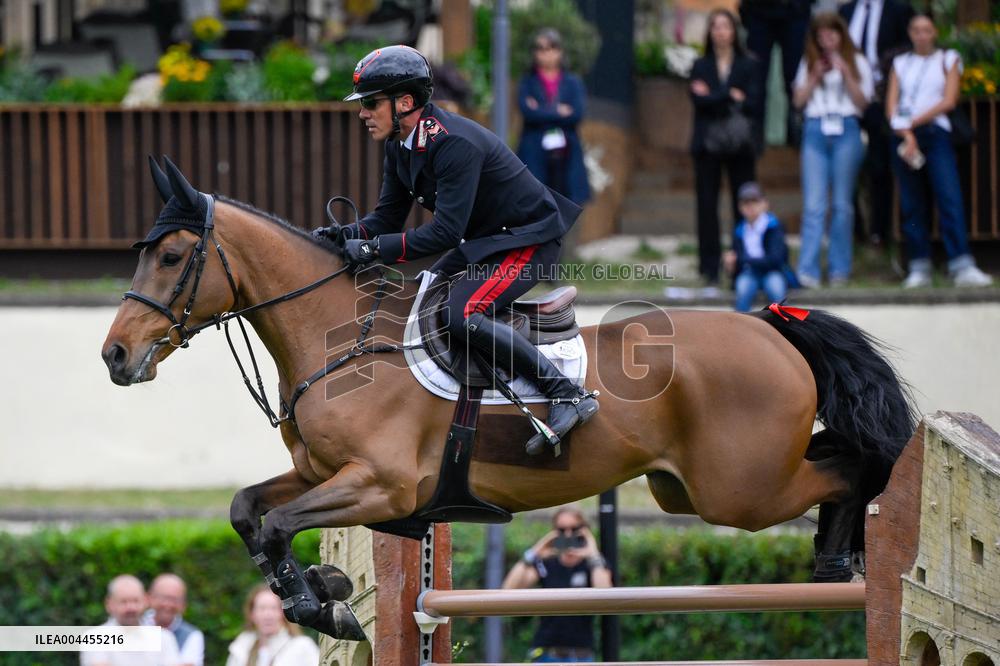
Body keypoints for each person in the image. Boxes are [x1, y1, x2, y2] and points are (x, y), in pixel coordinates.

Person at [313, 45, 599, 455]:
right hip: (485, 243)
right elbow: (386, 221)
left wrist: (372, 249)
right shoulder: (399, 144)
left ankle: (567, 393)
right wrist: (341, 236)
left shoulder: (453, 144)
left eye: (371, 103)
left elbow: (446, 232)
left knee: (462, 314)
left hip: (526, 241)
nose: (363, 113)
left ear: (405, 102)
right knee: (419, 298)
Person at [886, 14, 993, 288]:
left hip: (935, 133)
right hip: (905, 136)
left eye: (927, 30)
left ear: (934, 33)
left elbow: (949, 100)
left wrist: (912, 123)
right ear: (910, 33)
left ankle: (962, 264)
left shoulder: (948, 58)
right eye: (916, 30)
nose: (921, 35)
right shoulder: (900, 62)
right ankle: (919, 266)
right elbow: (891, 106)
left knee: (949, 197)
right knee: (912, 204)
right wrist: (907, 134)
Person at [792, 13, 873, 287]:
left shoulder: (858, 60)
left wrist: (847, 73)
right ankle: (808, 270)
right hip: (815, 130)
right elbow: (798, 101)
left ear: (841, 34)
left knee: (842, 205)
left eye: (832, 34)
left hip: (847, 130)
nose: (826, 39)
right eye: (821, 35)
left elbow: (863, 103)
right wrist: (815, 76)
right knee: (814, 204)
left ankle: (839, 268)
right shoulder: (809, 62)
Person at [689, 9, 761, 293]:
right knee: (707, 207)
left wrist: (713, 95)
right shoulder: (700, 64)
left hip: (741, 144)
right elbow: (698, 102)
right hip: (707, 145)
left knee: (743, 206)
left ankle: (741, 263)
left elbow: (754, 103)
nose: (721, 31)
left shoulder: (749, 64)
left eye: (726, 26)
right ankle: (710, 269)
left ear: (734, 31)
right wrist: (730, 95)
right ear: (710, 32)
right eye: (715, 26)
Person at [839, 0, 914, 246]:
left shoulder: (899, 10)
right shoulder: (846, 12)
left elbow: (908, 50)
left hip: (883, 98)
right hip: (847, 98)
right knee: (845, 167)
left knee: (880, 166)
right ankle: (855, 231)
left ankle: (880, 231)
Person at [502, 506, 612, 662]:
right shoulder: (547, 563)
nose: (568, 534)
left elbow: (606, 595)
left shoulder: (594, 564)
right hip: (546, 654)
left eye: (575, 528)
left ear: (585, 530)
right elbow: (509, 588)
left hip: (581, 655)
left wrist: (592, 552)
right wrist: (535, 551)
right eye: (561, 530)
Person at [516, 28, 591, 206]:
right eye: (540, 48)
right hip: (534, 150)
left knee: (566, 202)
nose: (545, 53)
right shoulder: (527, 81)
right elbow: (527, 112)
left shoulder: (573, 82)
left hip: (567, 153)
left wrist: (541, 110)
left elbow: (577, 114)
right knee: (535, 200)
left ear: (560, 51)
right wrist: (558, 111)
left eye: (551, 47)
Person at [739, 0, 812, 145]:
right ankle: (753, 135)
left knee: (795, 77)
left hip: (795, 10)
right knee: (755, 78)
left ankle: (797, 135)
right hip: (758, 11)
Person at [724, 182, 795, 312]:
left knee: (777, 291)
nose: (750, 206)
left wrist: (745, 260)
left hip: (772, 272)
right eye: (746, 203)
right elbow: (737, 261)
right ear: (740, 207)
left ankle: (785, 325)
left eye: (755, 201)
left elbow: (776, 259)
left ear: (765, 204)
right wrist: (731, 265)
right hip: (750, 273)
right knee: (743, 290)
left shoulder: (774, 226)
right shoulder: (739, 230)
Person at [81, 574, 181, 666]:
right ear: (109, 604)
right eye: (124, 602)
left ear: (145, 601)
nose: (131, 608)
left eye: (135, 601)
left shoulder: (165, 638)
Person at [226, 585, 320, 666]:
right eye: (262, 608)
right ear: (252, 614)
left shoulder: (302, 647)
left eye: (274, 608)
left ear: (284, 614)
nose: (268, 615)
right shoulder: (241, 648)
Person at [142, 574, 204, 666]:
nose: (168, 604)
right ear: (150, 598)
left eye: (175, 600)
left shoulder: (192, 635)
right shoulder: (131, 626)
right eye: (163, 598)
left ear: (184, 605)